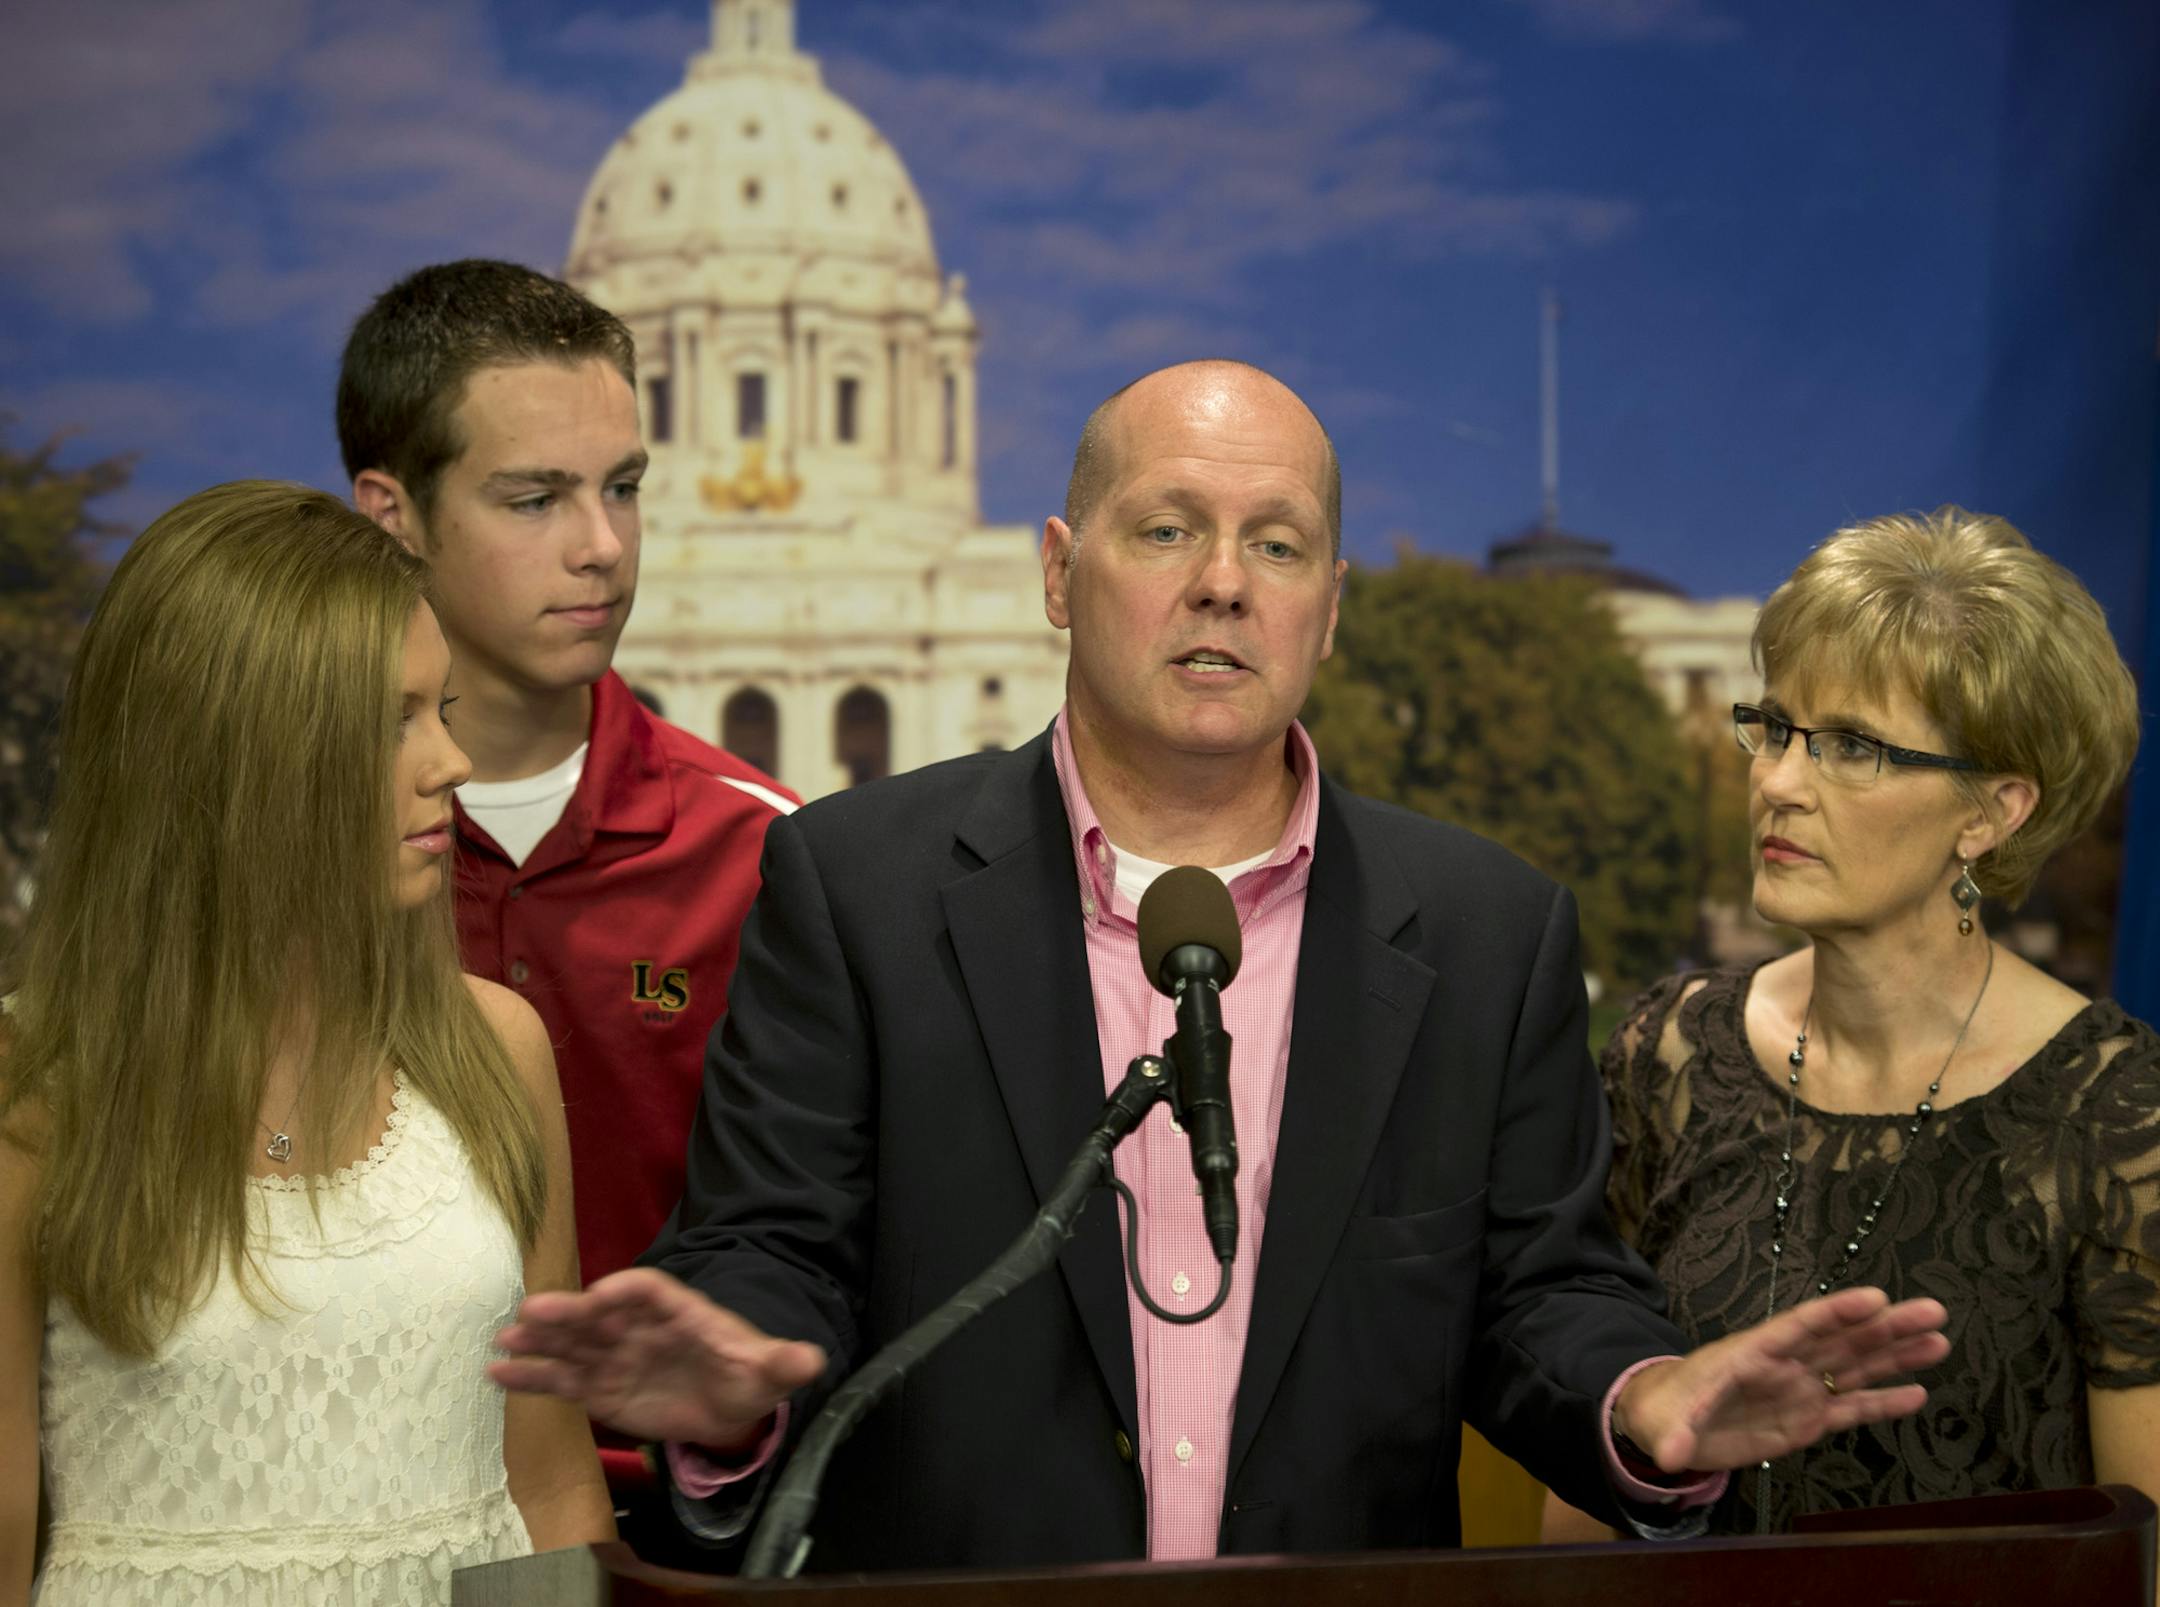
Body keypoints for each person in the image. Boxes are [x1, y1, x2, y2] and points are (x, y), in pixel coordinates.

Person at [492, 361, 1949, 1571]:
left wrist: (1648, 1398)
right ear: (1060, 574)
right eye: (1166, 529)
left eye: (1277, 542)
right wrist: (733, 1372)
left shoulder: (1485, 928)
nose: (1224, 586)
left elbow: (1539, 1293)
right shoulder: (854, 883)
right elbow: (775, 1243)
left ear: (1330, 602)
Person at [0, 483, 614, 1602]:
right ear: (236, 757)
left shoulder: (496, 1050)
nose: (450, 765)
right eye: (392, 721)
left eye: (445, 711)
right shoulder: (29, 1093)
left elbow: (554, 1479)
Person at [1545, 508, 2159, 1543]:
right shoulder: (1670, 1055)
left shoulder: (2118, 1113)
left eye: (1850, 748)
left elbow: (2140, 1557)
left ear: (1991, 810)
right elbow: (1585, 1509)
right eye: (1776, 728)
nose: (1779, 781)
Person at [337, 260, 799, 1364]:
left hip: (663, 1509)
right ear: (393, 515)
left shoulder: (770, 853)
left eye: (624, 486)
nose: (602, 544)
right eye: (535, 498)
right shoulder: (280, 849)